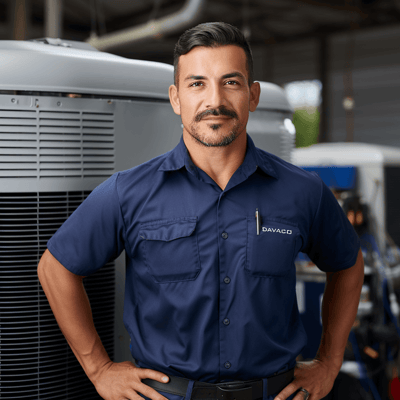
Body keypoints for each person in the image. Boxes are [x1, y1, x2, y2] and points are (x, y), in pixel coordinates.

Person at [37, 22, 364, 400]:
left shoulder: (302, 191)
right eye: (197, 84)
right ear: (176, 98)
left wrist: (329, 362)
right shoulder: (128, 192)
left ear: (252, 95)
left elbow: (347, 263)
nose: (215, 100)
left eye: (231, 82)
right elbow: (55, 268)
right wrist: (99, 369)